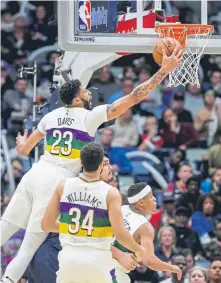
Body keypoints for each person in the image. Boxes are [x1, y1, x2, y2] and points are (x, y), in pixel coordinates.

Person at [0, 49, 183, 283]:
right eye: (85, 91)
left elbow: (25, 150)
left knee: (4, 227)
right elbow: (134, 97)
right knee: (28, 246)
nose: (89, 93)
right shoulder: (90, 116)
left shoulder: (51, 115)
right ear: (77, 99)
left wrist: (21, 145)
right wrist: (162, 72)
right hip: (56, 178)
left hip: (35, 172)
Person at [41, 142, 145, 283]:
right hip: (97, 261)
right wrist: (138, 249)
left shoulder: (63, 186)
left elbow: (46, 225)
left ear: (81, 162)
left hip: (69, 260)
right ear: (101, 164)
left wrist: (77, 228)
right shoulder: (111, 193)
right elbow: (120, 234)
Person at [111, 183, 182, 283]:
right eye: (151, 196)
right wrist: (171, 268)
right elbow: (149, 261)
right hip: (114, 272)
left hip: (100, 261)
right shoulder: (145, 227)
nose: (155, 199)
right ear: (141, 202)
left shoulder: (121, 209)